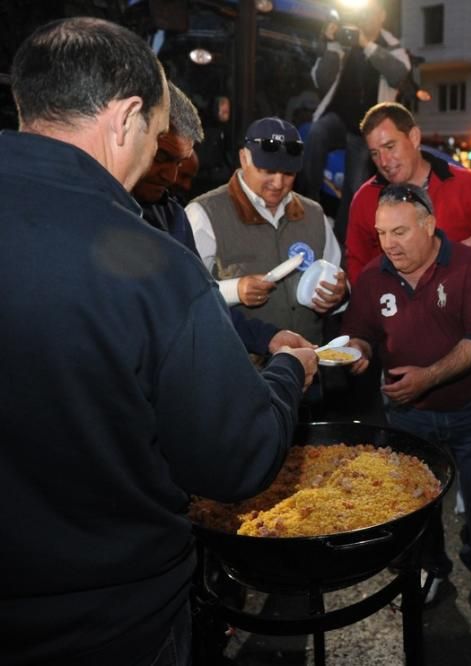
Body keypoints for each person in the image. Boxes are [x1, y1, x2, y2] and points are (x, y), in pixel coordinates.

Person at [0, 17, 317, 665]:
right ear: (125, 119)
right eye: (157, 131)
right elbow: (236, 460)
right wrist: (288, 371)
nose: (159, 157)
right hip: (107, 619)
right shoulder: (146, 260)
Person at [342, 183, 471, 605]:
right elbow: (360, 333)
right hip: (407, 412)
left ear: (429, 225)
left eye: (399, 231)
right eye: (380, 233)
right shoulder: (372, 277)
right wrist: (355, 353)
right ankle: (431, 566)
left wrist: (428, 377)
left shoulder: (469, 266)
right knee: (415, 497)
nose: (388, 244)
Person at [134, 83, 314, 357]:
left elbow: (197, 301)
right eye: (161, 157)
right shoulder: (201, 212)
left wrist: (268, 338)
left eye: (179, 164)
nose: (170, 177)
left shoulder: (172, 217)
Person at [187, 117, 347, 345]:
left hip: (307, 366)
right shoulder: (204, 214)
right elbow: (182, 294)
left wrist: (340, 294)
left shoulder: (313, 214)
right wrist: (236, 290)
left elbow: (338, 276)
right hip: (241, 371)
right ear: (244, 158)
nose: (278, 182)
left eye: (289, 173)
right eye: (268, 170)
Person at [345, 102, 471, 283]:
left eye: (390, 147)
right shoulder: (364, 199)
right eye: (375, 153)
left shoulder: (467, 185)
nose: (383, 161)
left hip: (460, 306)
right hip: (393, 308)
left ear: (414, 137)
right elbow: (356, 265)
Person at [300, 0, 411, 241]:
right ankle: (309, 202)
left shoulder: (391, 46)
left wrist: (366, 45)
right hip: (339, 118)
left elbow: (399, 73)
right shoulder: (345, 40)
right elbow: (322, 80)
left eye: (371, 14)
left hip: (367, 132)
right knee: (316, 132)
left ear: (381, 16)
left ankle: (343, 243)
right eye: (363, 14)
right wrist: (331, 45)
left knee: (355, 188)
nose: (366, 19)